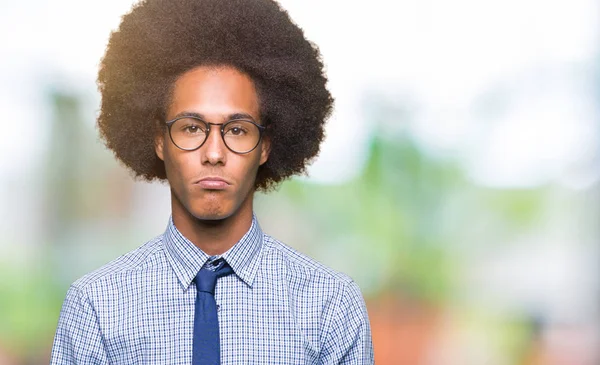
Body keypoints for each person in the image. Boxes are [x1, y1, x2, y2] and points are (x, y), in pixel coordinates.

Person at [50, 0, 374, 363]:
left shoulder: (329, 306)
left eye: (237, 130)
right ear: (158, 139)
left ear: (265, 145)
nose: (214, 153)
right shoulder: (97, 306)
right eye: (192, 128)